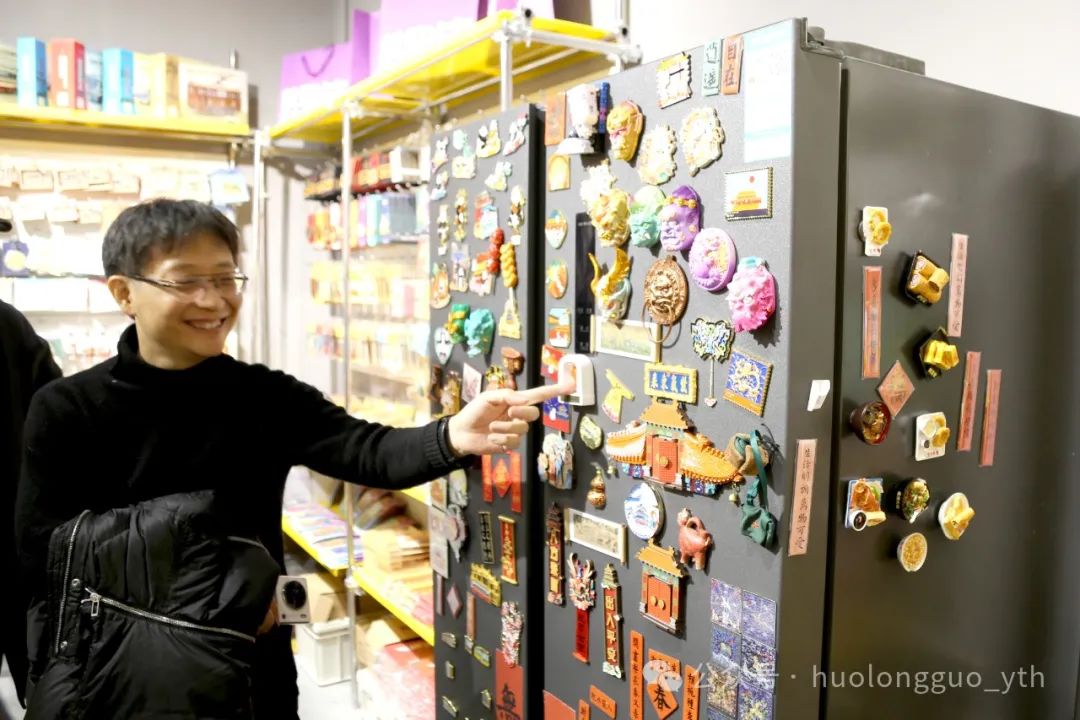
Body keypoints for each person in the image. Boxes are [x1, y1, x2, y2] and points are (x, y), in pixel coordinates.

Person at [14, 199, 566, 719]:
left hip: (253, 666)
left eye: (225, 279)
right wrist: (217, 592)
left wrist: (453, 435)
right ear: (124, 293)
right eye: (185, 281)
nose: (214, 301)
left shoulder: (262, 396)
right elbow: (44, 552)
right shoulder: (68, 409)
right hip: (122, 672)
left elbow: (366, 450)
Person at [0, 264, 61, 709]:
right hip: (19, 554)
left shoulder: (8, 324)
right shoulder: (8, 322)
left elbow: (59, 419)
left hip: (21, 556)